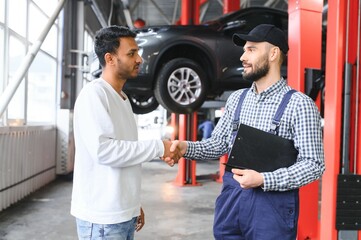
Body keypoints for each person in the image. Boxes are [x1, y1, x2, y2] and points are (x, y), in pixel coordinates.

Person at [169, 24, 325, 239]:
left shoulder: (300, 105)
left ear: (273, 53)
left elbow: (313, 165)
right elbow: (218, 144)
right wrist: (186, 147)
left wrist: (264, 179)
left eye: (251, 49)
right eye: (244, 50)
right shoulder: (237, 99)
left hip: (271, 208)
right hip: (233, 199)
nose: (243, 56)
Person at [71, 25, 178, 240]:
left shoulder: (122, 98)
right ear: (109, 59)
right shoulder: (94, 95)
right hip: (102, 219)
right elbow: (105, 151)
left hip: (120, 213)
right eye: (131, 53)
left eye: (137, 52)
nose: (139, 59)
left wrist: (132, 205)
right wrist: (159, 147)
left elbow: (126, 154)